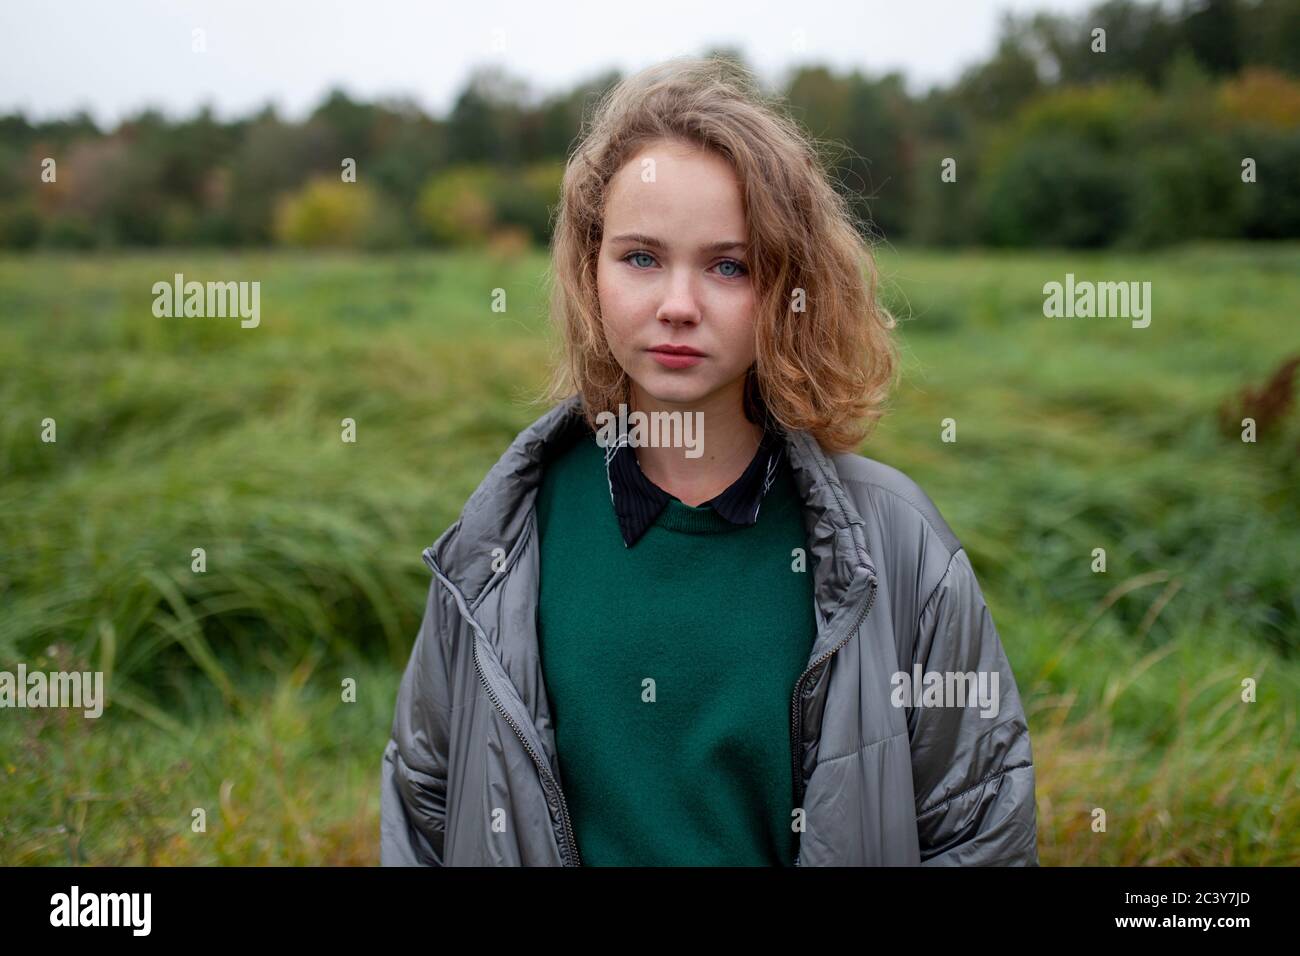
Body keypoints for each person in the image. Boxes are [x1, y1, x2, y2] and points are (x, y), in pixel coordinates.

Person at [380, 55, 1039, 866]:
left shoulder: (898, 548)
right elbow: (423, 808)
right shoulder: (502, 540)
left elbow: (980, 833)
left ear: (789, 286)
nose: (678, 306)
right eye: (641, 258)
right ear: (591, 271)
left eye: (729, 266)